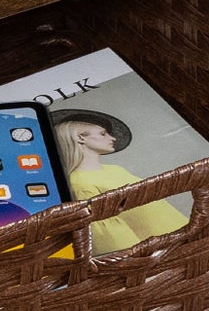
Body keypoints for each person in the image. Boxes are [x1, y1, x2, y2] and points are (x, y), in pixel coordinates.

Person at [50, 109, 189, 255]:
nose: (112, 138)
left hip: (180, 233)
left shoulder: (115, 169)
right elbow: (111, 238)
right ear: (80, 138)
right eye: (103, 134)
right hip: (163, 252)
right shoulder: (80, 184)